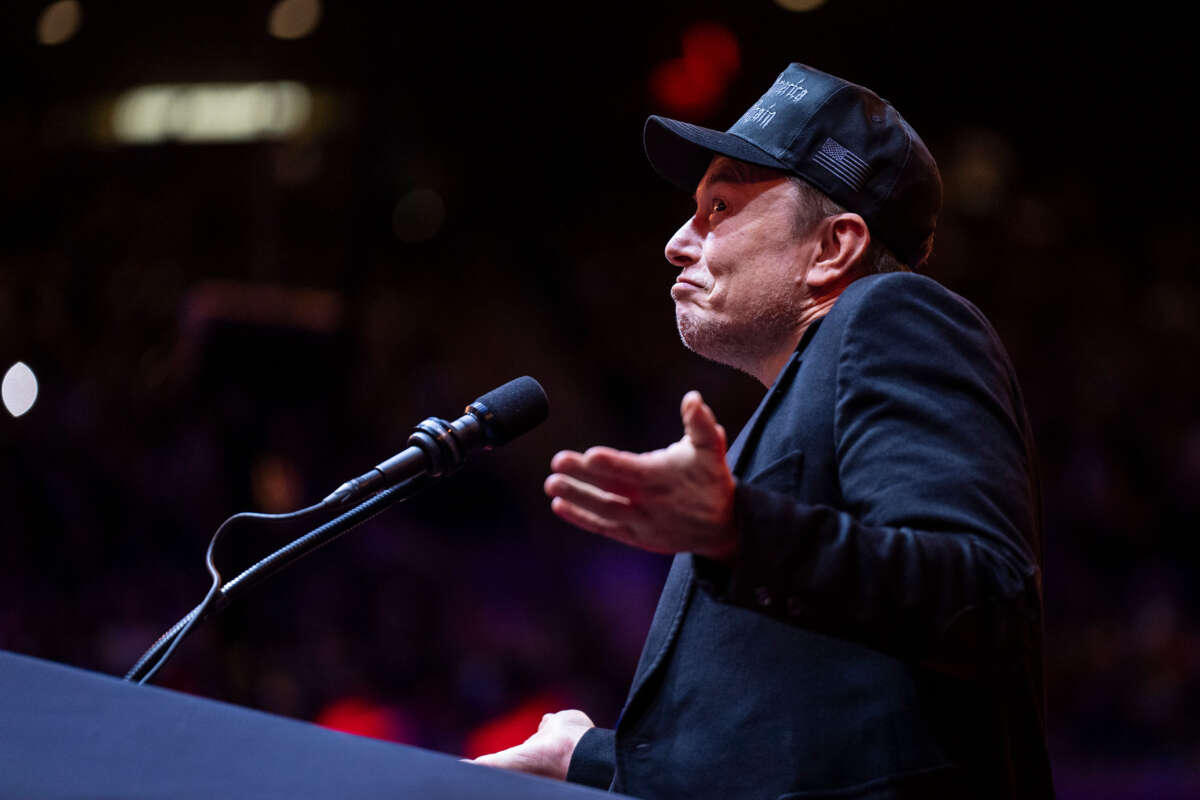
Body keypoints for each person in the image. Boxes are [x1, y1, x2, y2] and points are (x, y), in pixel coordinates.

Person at [472, 63, 1054, 799]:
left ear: (833, 246)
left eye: (719, 206)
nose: (677, 243)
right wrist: (584, 758)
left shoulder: (893, 315)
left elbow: (985, 595)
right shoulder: (787, 413)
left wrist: (737, 530)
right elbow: (781, 752)